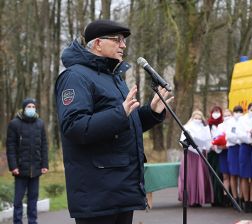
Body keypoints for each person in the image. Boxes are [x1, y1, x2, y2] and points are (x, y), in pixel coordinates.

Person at [54, 19, 172, 224]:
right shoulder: (75, 77)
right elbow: (75, 126)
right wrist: (120, 113)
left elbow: (124, 125)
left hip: (121, 190)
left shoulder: (114, 77)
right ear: (98, 43)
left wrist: (151, 112)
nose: (123, 45)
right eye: (117, 40)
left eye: (124, 40)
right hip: (97, 194)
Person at [6, 98, 49, 224]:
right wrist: (13, 166)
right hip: (20, 169)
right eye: (29, 106)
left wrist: (44, 164)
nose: (31, 108)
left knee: (33, 198)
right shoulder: (14, 124)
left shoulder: (40, 124)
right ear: (24, 108)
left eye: (33, 106)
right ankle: (17, 221)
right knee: (18, 200)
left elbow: (44, 146)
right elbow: (11, 147)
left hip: (35, 169)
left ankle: (32, 221)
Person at [177, 110, 214, 207]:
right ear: (192, 118)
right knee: (189, 176)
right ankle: (190, 199)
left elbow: (208, 141)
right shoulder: (186, 127)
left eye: (199, 118)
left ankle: (199, 199)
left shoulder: (205, 128)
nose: (197, 120)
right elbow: (182, 141)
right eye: (195, 118)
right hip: (189, 154)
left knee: (200, 176)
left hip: (200, 154)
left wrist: (205, 146)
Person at [237, 103, 252, 213]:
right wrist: (249, 135)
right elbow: (239, 135)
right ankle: (246, 202)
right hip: (245, 148)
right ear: (248, 110)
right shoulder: (242, 120)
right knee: (244, 176)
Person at [224, 105, 243, 208]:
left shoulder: (244, 121)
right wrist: (239, 138)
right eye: (236, 111)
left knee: (242, 175)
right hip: (232, 149)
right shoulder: (230, 122)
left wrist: (239, 138)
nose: (238, 113)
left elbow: (246, 134)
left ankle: (241, 197)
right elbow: (229, 136)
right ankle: (234, 197)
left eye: (240, 111)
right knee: (233, 174)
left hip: (242, 149)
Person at [212, 108, 232, 206]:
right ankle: (225, 196)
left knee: (233, 175)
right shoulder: (220, 126)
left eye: (229, 115)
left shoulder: (235, 125)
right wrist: (219, 145)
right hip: (223, 152)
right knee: (225, 175)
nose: (227, 117)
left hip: (232, 152)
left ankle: (234, 197)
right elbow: (216, 138)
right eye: (225, 115)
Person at [206, 106, 225, 206]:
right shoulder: (208, 125)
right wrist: (211, 145)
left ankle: (222, 199)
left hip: (222, 152)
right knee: (213, 175)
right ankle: (214, 199)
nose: (216, 113)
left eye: (218, 111)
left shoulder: (224, 124)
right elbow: (206, 138)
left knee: (222, 175)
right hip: (212, 154)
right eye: (214, 112)